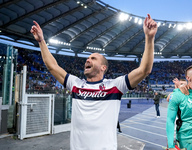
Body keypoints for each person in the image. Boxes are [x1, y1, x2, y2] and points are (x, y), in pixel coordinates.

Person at [30, 14, 157, 150]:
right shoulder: (76, 84)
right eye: (88, 58)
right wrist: (41, 41)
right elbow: (52, 66)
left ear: (103, 67)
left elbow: (145, 70)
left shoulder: (115, 86)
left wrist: (149, 38)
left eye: (93, 58)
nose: (87, 60)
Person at [166, 65, 192, 150]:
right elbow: (170, 120)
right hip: (186, 140)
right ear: (188, 78)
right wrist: (170, 146)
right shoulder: (177, 95)